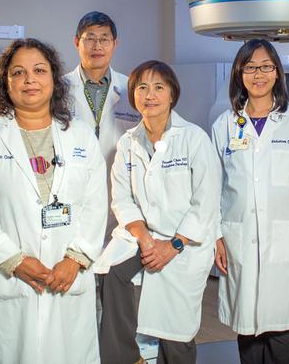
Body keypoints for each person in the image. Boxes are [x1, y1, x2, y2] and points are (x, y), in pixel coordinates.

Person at [0, 38, 107, 363]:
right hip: (15, 278)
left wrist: (76, 258)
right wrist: (13, 260)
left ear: (54, 78)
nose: (30, 79)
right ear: (6, 82)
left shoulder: (81, 136)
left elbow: (96, 204)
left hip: (68, 274)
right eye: (19, 72)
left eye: (39, 70)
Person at [98, 60, 221, 364]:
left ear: (171, 95)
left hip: (185, 243)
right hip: (145, 237)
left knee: (175, 329)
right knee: (112, 273)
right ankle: (124, 358)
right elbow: (122, 199)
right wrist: (143, 237)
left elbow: (205, 202)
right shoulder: (127, 143)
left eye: (158, 87)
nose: (149, 95)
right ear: (133, 94)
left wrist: (174, 244)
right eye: (142, 87)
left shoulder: (193, 138)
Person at [212, 39, 289, 364]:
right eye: (250, 67)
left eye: (265, 67)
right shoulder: (226, 124)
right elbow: (214, 186)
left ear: (277, 72)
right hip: (239, 237)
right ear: (239, 74)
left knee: (279, 327)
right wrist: (217, 234)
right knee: (247, 326)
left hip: (284, 240)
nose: (258, 74)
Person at [64, 11, 140, 238]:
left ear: (114, 44)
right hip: (73, 187)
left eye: (104, 38)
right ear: (77, 41)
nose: (97, 45)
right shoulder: (58, 89)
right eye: (90, 38)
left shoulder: (132, 88)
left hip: (119, 188)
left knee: (113, 258)